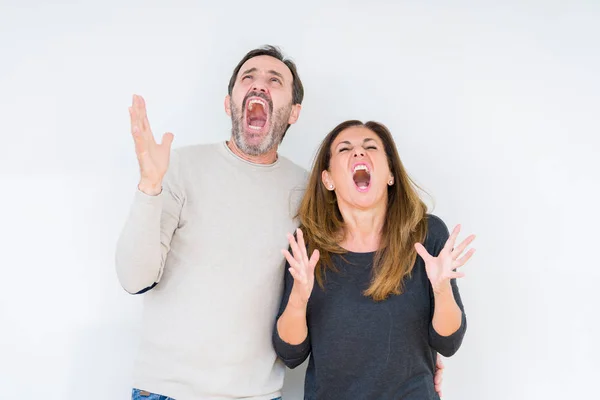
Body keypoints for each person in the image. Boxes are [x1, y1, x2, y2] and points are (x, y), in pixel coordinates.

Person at [116, 45, 444, 399]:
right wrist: (149, 187)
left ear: (293, 112)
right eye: (248, 78)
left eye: (274, 80)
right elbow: (135, 279)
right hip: (167, 391)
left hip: (257, 395)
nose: (260, 86)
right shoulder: (177, 168)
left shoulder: (310, 194)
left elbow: (359, 270)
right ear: (229, 103)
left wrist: (425, 352)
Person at [273, 120, 475, 399]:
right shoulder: (308, 245)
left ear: (391, 173)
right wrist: (298, 298)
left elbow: (448, 342)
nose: (359, 153)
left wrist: (441, 291)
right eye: (345, 149)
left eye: (370, 147)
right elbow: (290, 354)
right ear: (328, 179)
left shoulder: (426, 236)